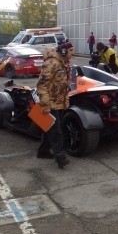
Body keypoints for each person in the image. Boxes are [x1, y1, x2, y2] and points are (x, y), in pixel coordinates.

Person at [36, 40, 74, 169]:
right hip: (50, 103)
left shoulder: (65, 63)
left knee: (49, 128)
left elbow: (65, 85)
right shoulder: (51, 63)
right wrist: (45, 105)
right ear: (63, 51)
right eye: (71, 50)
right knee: (56, 130)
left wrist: (66, 100)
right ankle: (60, 157)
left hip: (59, 102)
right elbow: (41, 85)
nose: (72, 53)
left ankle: (42, 152)